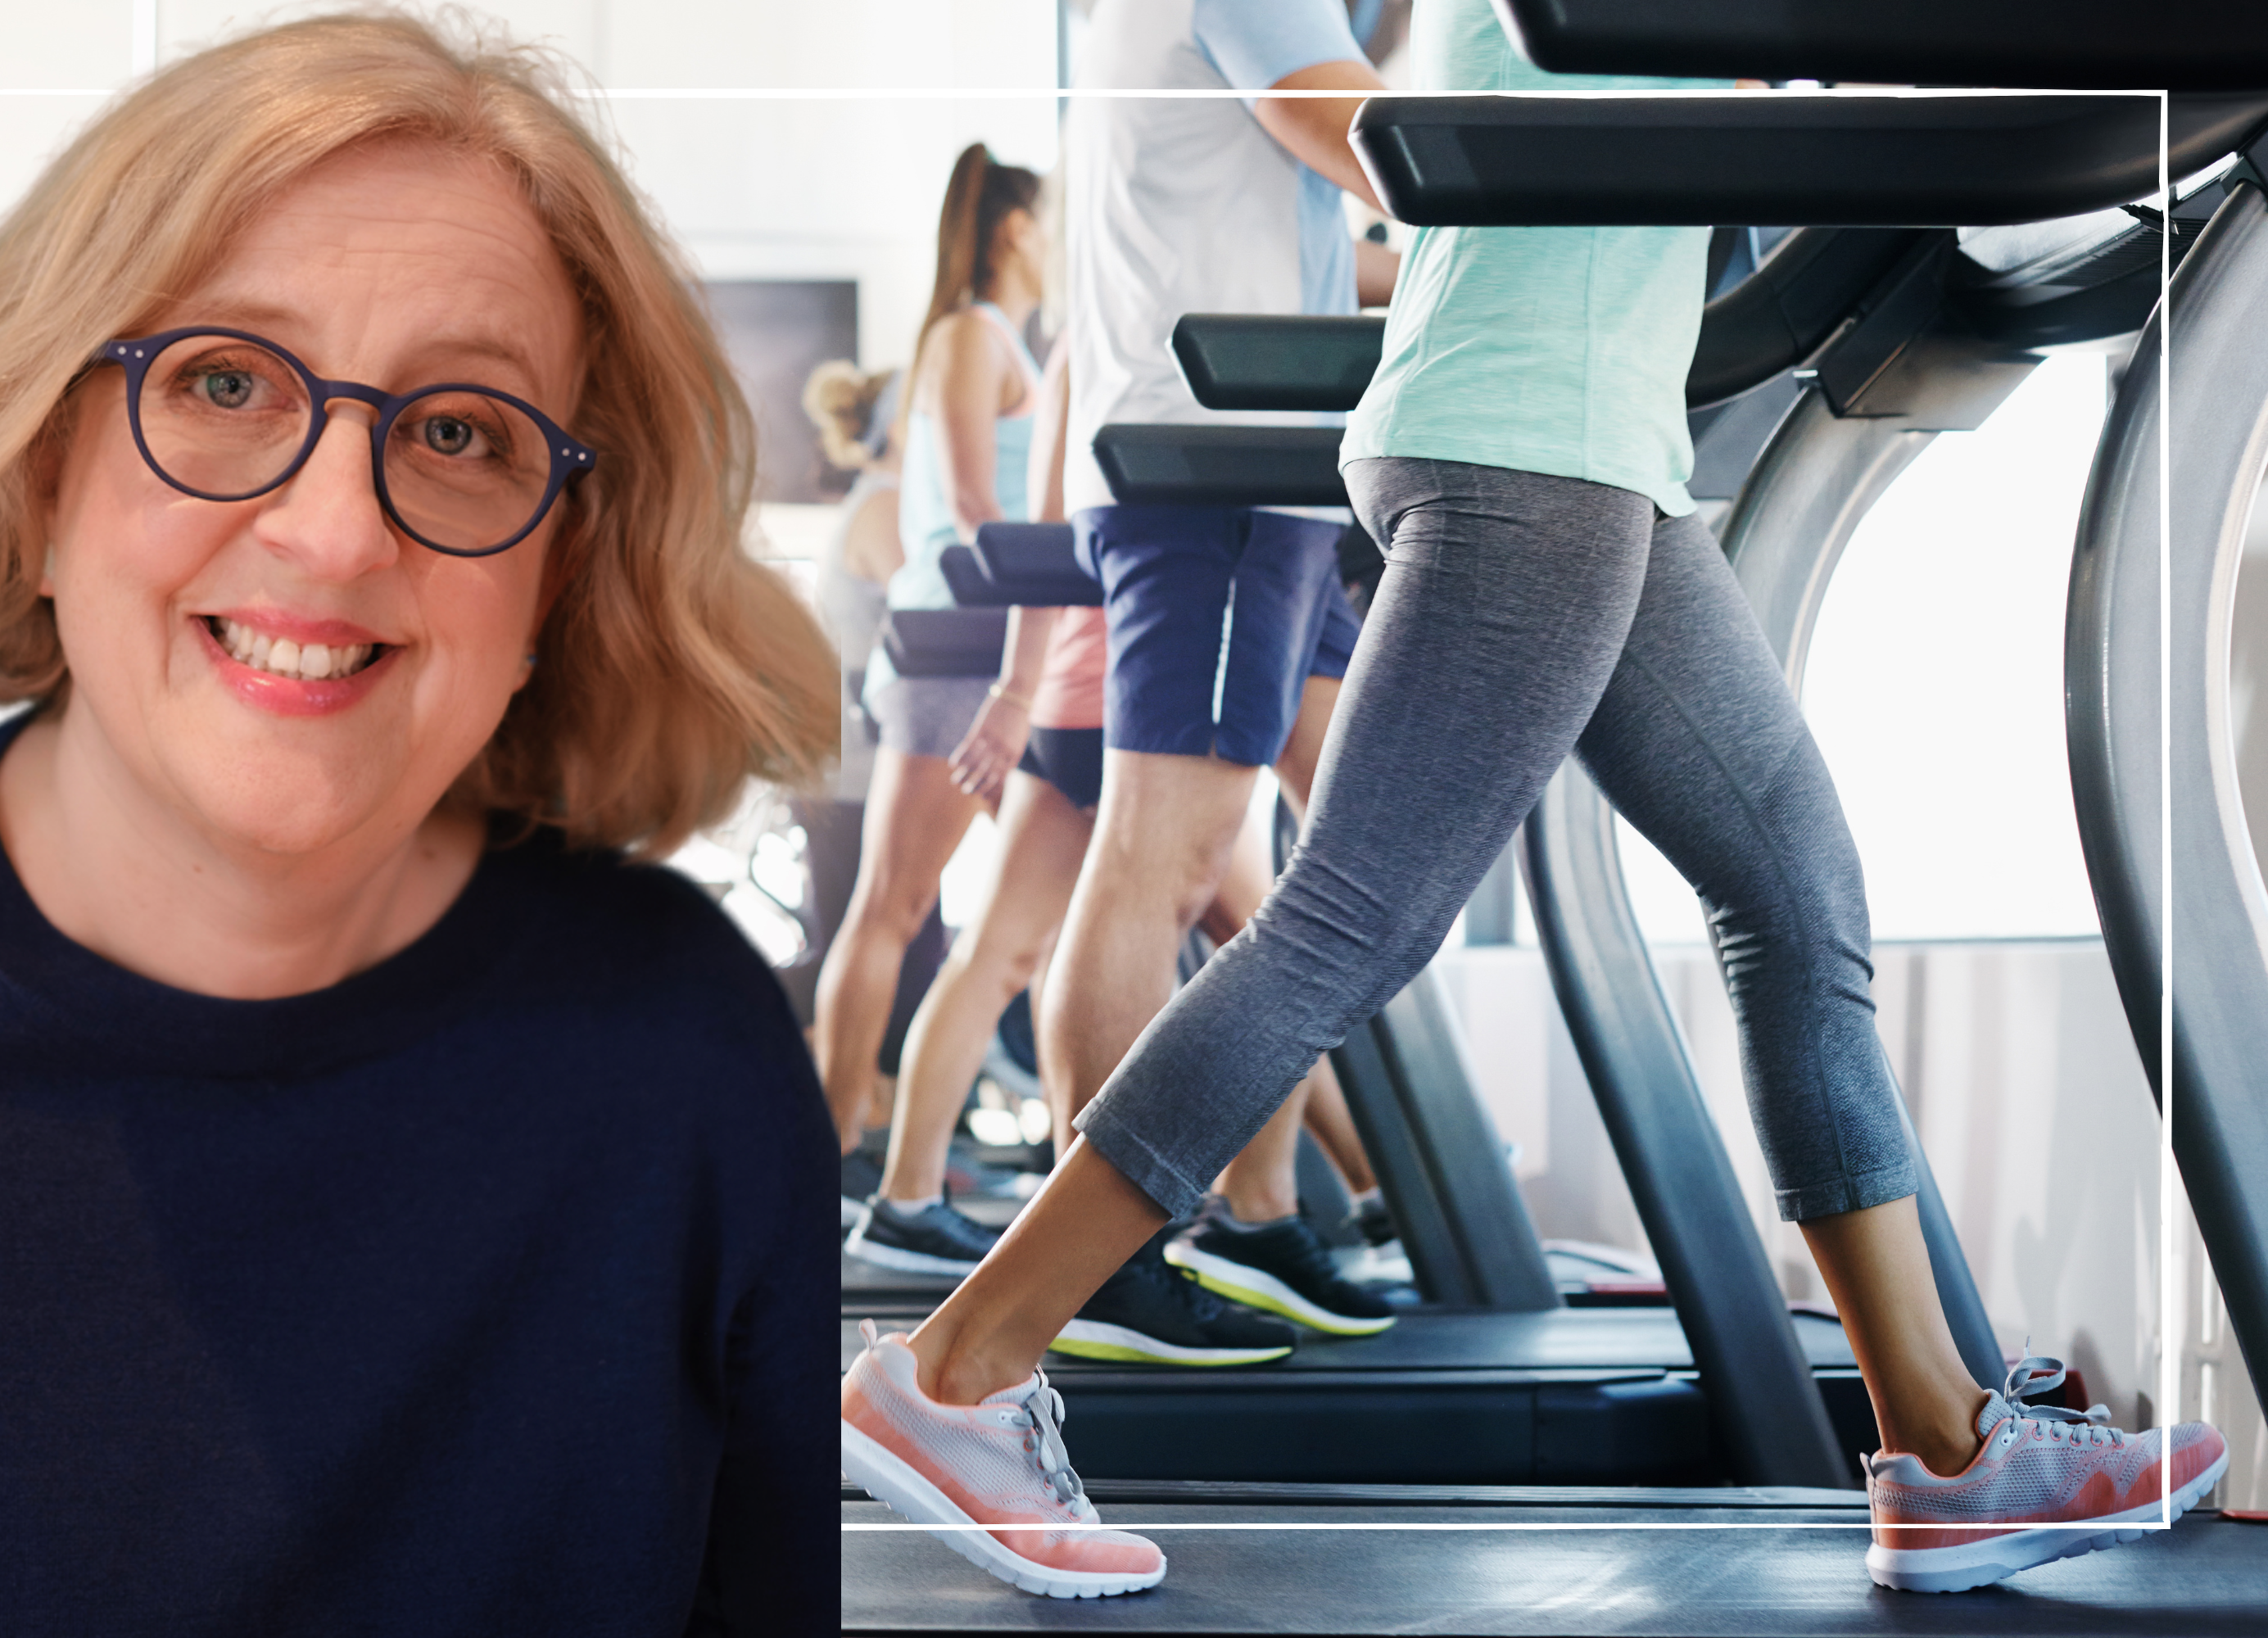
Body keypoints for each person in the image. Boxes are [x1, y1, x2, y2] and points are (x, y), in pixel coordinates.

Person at [841, 0, 2227, 1603]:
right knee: (1350, 924)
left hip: (1594, 440)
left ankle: (1948, 1445)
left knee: (1795, 898)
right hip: (1532, 444)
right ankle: (957, 1371)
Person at [0, 15, 836, 1631]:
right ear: (38, 474)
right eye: (223, 381)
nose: (337, 529)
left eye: (458, 432)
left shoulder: (679, 1061)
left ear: (551, 580)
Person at [1018, 0, 1406, 1371]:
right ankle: (1096, 1263)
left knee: (1362, 839)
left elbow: (1330, 224)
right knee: (1164, 864)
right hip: (1220, 460)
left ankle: (1257, 1210)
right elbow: (1377, 140)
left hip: (1266, 463)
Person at [813, 143, 1048, 1192]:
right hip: (965, 649)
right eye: (1053, 219)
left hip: (994, 648)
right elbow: (972, 511)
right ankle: (826, 1157)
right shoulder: (969, 333)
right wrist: (1054, 609)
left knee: (1050, 916)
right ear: (1014, 229)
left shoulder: (1007, 341)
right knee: (894, 906)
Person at [792, 361, 941, 1219]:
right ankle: (834, 1145)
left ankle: (850, 1137)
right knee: (878, 939)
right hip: (850, 772)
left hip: (851, 766)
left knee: (898, 942)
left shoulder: (880, 499)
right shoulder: (886, 504)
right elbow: (932, 602)